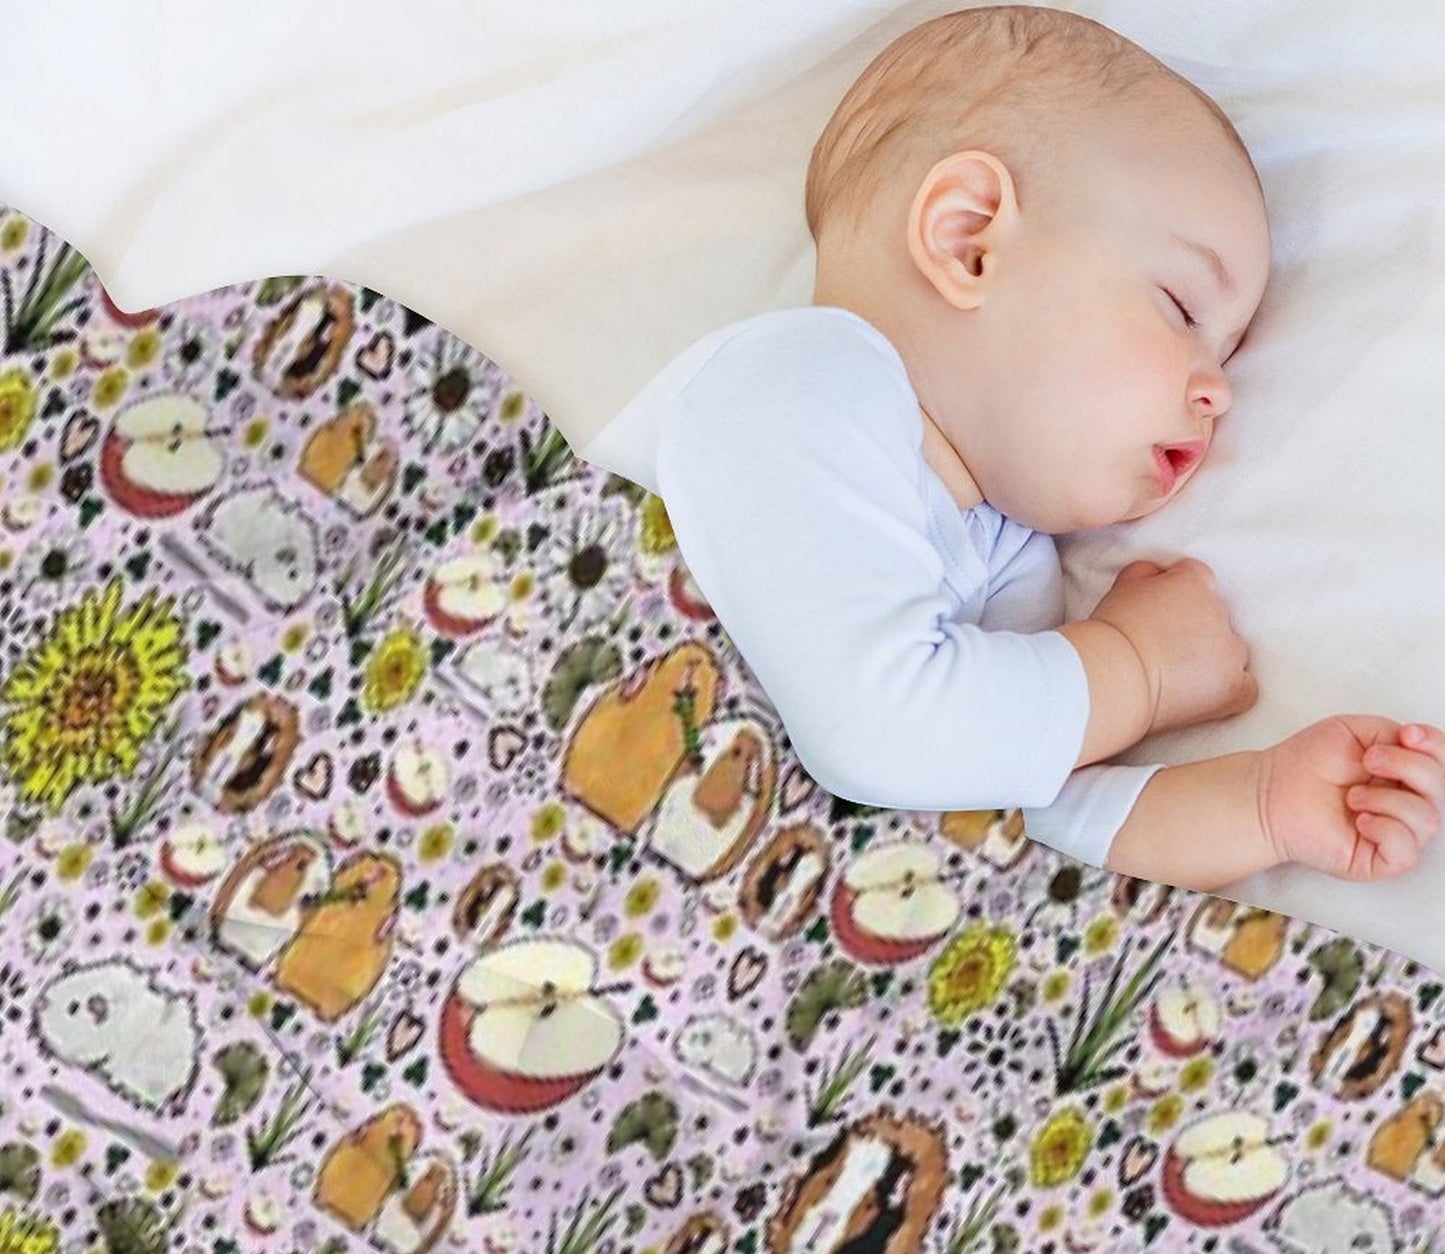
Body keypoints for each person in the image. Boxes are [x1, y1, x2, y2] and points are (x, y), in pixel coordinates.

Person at [587, 5, 1443, 894]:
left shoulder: (1001, 553)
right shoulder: (794, 382)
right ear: (969, 242)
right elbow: (879, 731)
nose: (1216, 389)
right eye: (1182, 310)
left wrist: (1262, 805)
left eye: (1224, 353)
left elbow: (1013, 815)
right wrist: (1134, 668)